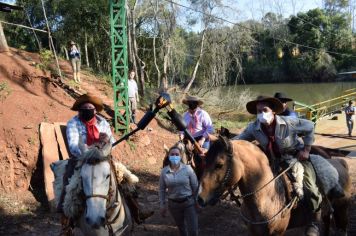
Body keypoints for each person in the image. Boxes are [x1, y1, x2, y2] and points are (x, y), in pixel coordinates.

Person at [231, 95, 332, 236]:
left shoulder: (289, 122)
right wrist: (218, 144)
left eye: (264, 110)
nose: (261, 114)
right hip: (272, 161)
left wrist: (307, 149)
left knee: (310, 187)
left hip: (296, 158)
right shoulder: (253, 128)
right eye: (258, 111)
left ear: (273, 111)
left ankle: (313, 222)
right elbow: (237, 141)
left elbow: (309, 126)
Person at [58, 93, 153, 226]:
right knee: (69, 183)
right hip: (81, 160)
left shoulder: (103, 122)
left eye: (90, 107)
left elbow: (112, 142)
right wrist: (91, 149)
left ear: (95, 110)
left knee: (125, 179)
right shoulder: (73, 123)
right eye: (84, 108)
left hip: (104, 158)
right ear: (79, 110)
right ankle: (66, 223)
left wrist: (107, 141)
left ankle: (136, 210)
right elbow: (74, 146)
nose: (87, 110)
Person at [159, 145, 199, 236]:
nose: (174, 156)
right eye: (172, 154)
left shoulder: (188, 169)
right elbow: (161, 189)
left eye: (177, 154)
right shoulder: (164, 172)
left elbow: (195, 186)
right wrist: (162, 205)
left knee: (193, 231)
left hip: (189, 203)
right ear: (169, 156)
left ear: (180, 156)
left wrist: (197, 201)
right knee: (182, 229)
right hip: (173, 205)